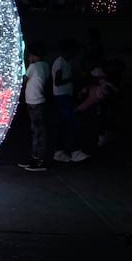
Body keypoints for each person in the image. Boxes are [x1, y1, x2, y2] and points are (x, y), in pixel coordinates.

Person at [51, 36, 88, 162]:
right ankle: (74, 151)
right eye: (74, 50)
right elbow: (57, 81)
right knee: (73, 122)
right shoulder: (60, 62)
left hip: (65, 95)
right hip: (62, 96)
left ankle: (60, 151)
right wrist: (73, 79)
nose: (75, 53)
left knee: (64, 124)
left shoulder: (66, 62)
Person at [17, 41, 50, 172]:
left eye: (30, 55)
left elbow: (24, 80)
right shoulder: (45, 66)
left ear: (34, 55)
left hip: (34, 102)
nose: (29, 57)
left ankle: (39, 160)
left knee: (37, 131)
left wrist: (29, 64)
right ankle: (35, 157)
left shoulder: (34, 67)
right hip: (38, 101)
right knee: (38, 130)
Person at [76, 65, 119, 148]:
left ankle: (102, 137)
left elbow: (113, 90)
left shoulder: (101, 83)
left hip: (98, 104)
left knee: (101, 120)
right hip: (95, 104)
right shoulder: (94, 84)